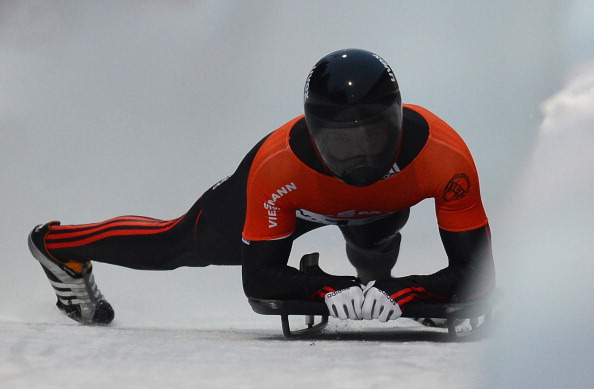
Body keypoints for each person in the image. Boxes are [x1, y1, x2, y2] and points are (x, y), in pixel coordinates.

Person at [28, 48, 495, 325]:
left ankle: (380, 280)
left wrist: (396, 295)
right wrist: (336, 292)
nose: (358, 156)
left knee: (376, 234)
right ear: (312, 131)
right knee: (176, 243)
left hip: (379, 206)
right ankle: (57, 245)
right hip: (298, 199)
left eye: (371, 136)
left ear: (396, 121)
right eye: (340, 140)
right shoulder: (278, 168)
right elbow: (259, 284)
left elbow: (480, 277)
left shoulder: (444, 154)